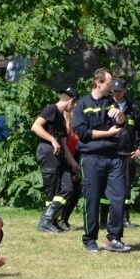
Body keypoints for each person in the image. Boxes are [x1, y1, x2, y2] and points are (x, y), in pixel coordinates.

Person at [72, 68, 131, 253]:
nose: (112, 86)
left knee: (119, 197)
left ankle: (114, 239)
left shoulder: (111, 103)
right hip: (91, 159)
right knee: (92, 199)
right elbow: (82, 133)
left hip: (114, 158)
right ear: (98, 83)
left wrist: (119, 115)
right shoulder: (82, 105)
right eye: (109, 83)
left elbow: (122, 123)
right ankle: (89, 239)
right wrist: (108, 133)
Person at [97, 78, 140, 229]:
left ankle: (125, 218)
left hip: (127, 153)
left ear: (125, 90)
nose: (117, 93)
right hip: (109, 152)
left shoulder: (133, 108)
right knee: (106, 187)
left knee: (126, 186)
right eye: (114, 90)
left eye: (119, 90)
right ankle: (103, 219)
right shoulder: (106, 105)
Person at [30, 87, 80, 233]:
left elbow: (64, 146)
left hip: (59, 155)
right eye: (74, 104)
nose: (74, 107)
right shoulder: (51, 109)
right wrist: (53, 140)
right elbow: (35, 126)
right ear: (71, 101)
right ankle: (47, 222)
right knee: (52, 189)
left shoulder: (60, 116)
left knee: (68, 187)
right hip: (47, 152)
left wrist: (74, 165)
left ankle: (49, 220)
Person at [59, 89, 82, 231]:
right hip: (63, 161)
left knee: (76, 191)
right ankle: (58, 220)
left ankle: (64, 219)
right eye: (74, 106)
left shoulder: (77, 123)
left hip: (74, 160)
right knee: (66, 190)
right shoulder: (61, 120)